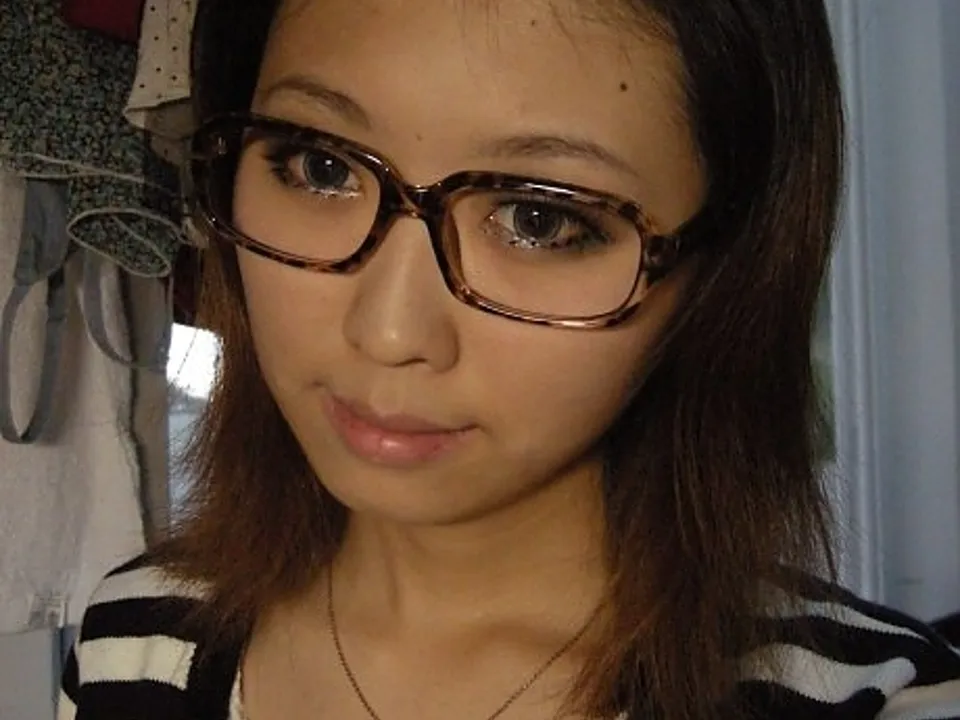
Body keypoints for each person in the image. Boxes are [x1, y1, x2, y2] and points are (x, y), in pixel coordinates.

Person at [59, 1, 960, 719]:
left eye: (541, 218)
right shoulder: (134, 646)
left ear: (720, 273)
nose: (389, 332)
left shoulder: (870, 699)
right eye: (321, 167)